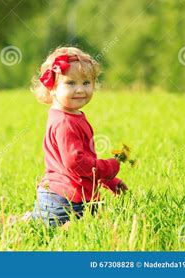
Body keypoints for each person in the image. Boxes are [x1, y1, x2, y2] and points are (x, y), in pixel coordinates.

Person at [30, 46, 128, 227]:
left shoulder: (68, 116)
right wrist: (109, 168)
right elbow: (76, 163)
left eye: (86, 83)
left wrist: (108, 181)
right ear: (52, 88)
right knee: (108, 227)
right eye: (70, 83)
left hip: (59, 196)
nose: (80, 90)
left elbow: (81, 164)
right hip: (66, 204)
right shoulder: (65, 123)